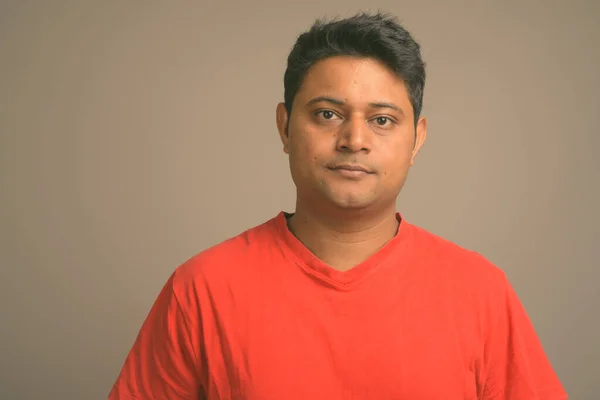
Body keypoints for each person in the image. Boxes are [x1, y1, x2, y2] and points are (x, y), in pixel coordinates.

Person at [108, 12, 567, 400]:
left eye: (382, 120)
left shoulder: (480, 292)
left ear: (417, 139)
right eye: (327, 114)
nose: (355, 140)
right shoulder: (202, 289)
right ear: (285, 127)